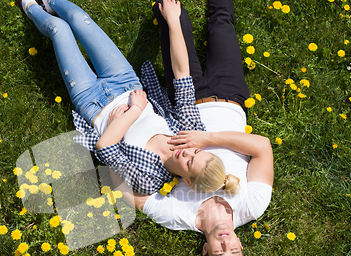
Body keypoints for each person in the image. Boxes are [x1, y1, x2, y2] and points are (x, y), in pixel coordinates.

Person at [118, 0, 274, 256]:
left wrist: (115, 150)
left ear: (205, 250)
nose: (226, 243)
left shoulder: (179, 216)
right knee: (221, 23)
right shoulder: (252, 206)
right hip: (230, 96)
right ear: (241, 245)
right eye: (234, 250)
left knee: (170, 14)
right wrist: (207, 138)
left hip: (182, 95)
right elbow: (262, 147)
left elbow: (128, 193)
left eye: (219, 252)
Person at [16, 0, 237, 195]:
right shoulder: (190, 133)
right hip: (124, 81)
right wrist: (173, 21)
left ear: (188, 182)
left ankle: (30, 7)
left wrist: (135, 112)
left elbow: (105, 147)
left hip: (92, 104)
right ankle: (50, 2)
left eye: (189, 163)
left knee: (59, 29)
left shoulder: (148, 180)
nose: (186, 152)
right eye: (197, 152)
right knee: (78, 17)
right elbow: (182, 78)